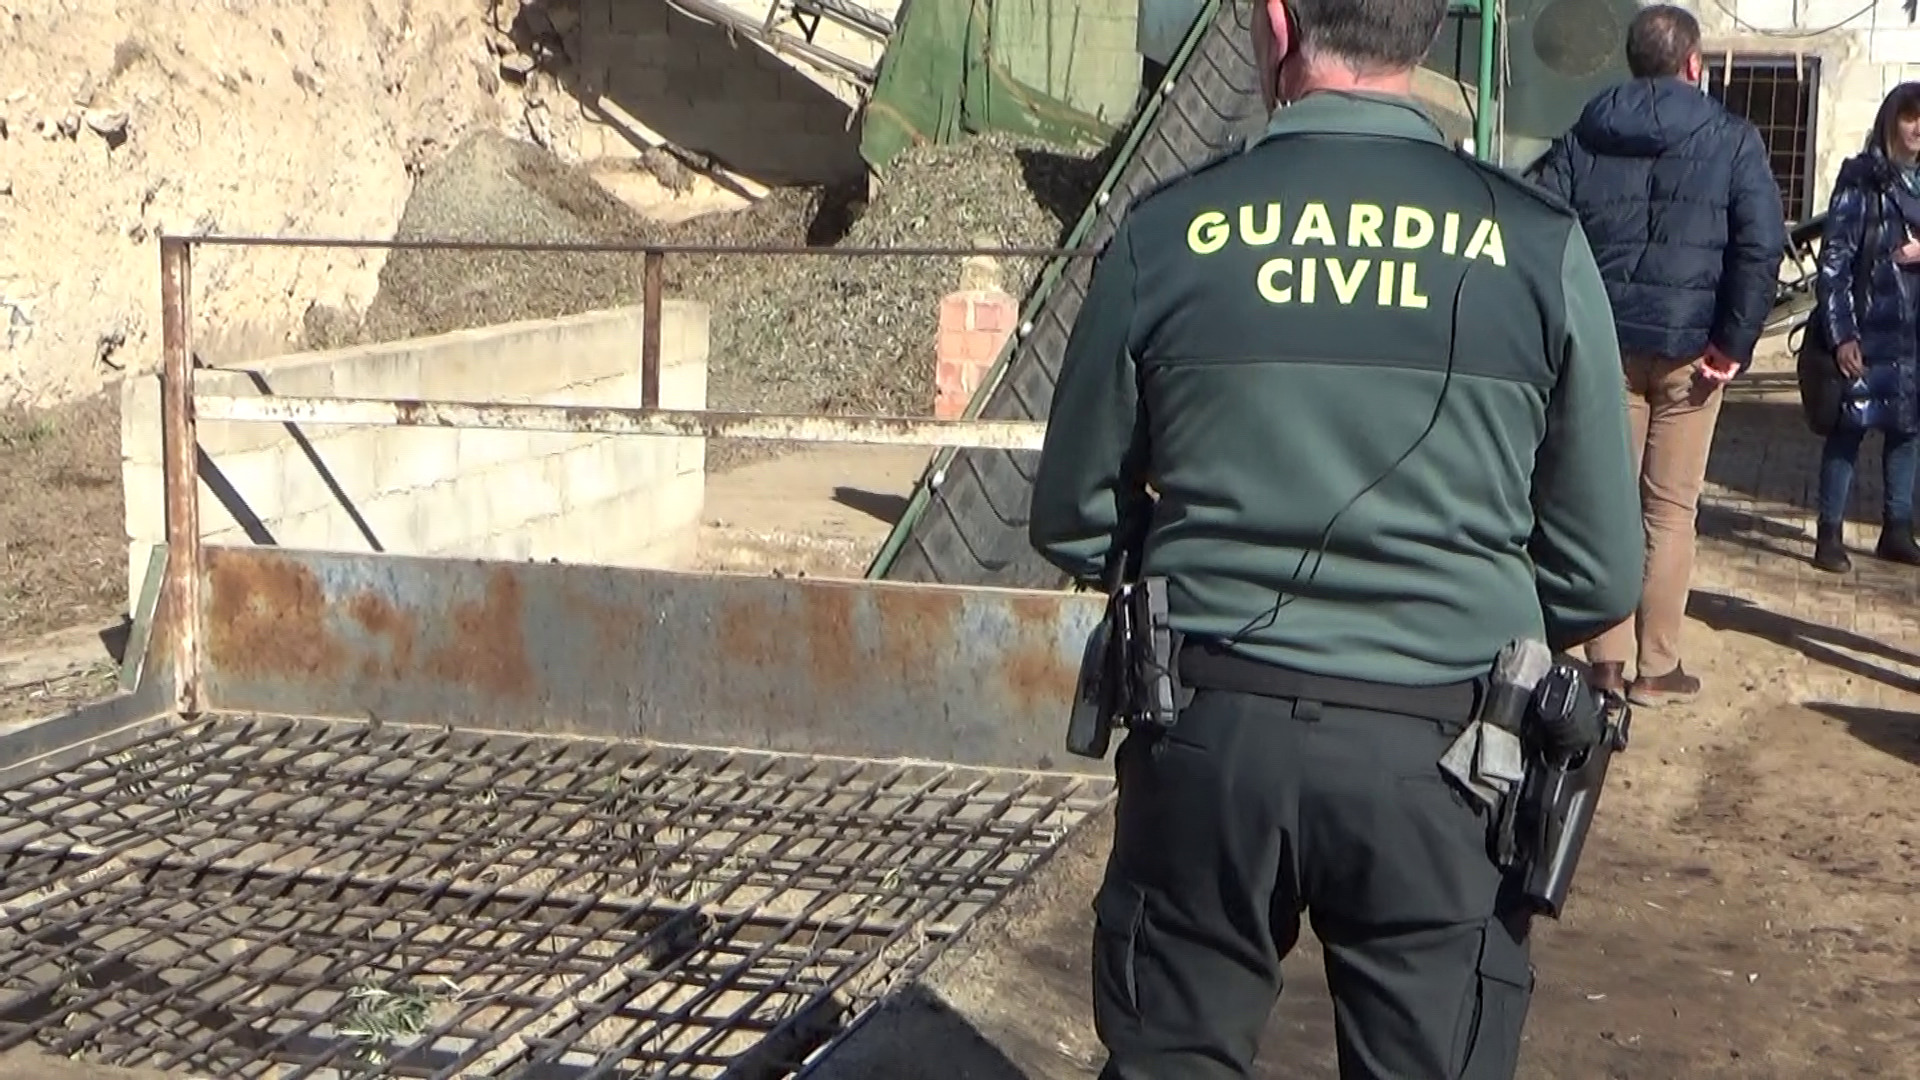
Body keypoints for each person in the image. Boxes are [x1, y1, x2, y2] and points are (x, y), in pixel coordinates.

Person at [1025, 0, 1644, 1071]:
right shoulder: (1539, 245)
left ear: (1278, 22)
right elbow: (1598, 574)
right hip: (1448, 758)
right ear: (1432, 30)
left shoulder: (1170, 230)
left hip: (1206, 734)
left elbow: (1073, 517)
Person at [1527, 5, 1785, 707]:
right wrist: (1732, 343)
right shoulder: (1732, 140)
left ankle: (1603, 662)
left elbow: (1541, 219)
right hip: (1691, 353)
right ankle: (1657, 667)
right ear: (1694, 62)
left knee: (1601, 501)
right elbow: (1762, 244)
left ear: (1632, 61)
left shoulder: (1586, 132)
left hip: (1603, 345)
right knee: (1669, 510)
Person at [1808, 81, 1920, 573]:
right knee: (1849, 427)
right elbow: (1834, 261)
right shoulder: (1861, 180)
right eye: (1910, 116)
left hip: (1914, 331)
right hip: (1869, 323)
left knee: (1907, 429)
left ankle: (1897, 529)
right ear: (1890, 120)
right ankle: (1828, 533)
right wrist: (1842, 333)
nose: (1918, 128)